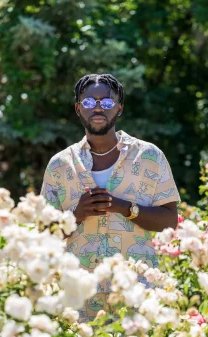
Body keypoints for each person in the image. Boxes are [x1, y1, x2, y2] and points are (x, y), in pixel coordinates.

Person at [41, 73, 180, 322]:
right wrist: (76, 215)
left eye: (106, 102)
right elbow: (43, 236)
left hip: (136, 297)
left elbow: (170, 220)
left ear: (119, 108)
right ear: (77, 108)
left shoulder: (149, 156)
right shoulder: (60, 165)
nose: (97, 108)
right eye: (89, 102)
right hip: (80, 301)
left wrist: (125, 208)